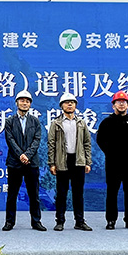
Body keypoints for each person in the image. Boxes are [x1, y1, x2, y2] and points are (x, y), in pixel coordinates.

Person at [95, 90, 128, 230]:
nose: (121, 104)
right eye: (118, 102)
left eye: (124, 102)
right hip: (113, 163)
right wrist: (111, 153)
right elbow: (100, 140)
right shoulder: (106, 122)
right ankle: (111, 220)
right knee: (112, 192)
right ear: (113, 105)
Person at [47, 92, 92, 231]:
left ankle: (80, 221)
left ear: (75, 106)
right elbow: (51, 144)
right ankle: (60, 221)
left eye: (72, 102)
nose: (70, 104)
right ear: (62, 106)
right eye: (67, 102)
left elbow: (87, 143)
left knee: (78, 193)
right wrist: (52, 163)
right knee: (61, 193)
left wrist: (88, 162)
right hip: (62, 161)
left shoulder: (81, 123)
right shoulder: (56, 123)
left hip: (78, 161)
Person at [2, 90, 46, 231]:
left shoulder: (35, 121)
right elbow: (10, 140)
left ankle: (36, 221)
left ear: (30, 104)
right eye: (22, 100)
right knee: (12, 194)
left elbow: (37, 140)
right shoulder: (9, 121)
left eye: (27, 101)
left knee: (34, 195)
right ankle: (9, 222)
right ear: (17, 103)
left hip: (31, 163)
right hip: (14, 163)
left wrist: (27, 155)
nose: (24, 103)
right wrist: (20, 155)